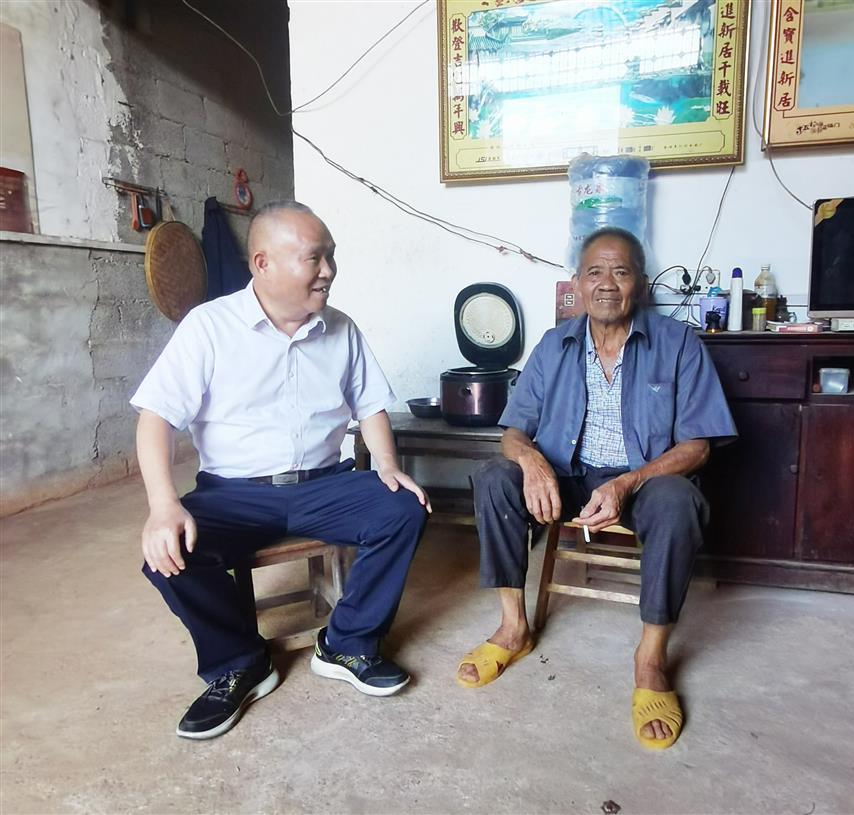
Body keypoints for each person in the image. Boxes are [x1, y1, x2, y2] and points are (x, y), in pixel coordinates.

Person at [132, 201, 431, 740]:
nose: (328, 271)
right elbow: (155, 418)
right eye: (314, 258)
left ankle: (345, 644)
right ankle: (239, 662)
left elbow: (371, 407)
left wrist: (387, 467)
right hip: (232, 494)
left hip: (325, 485)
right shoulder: (209, 327)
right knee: (167, 554)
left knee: (404, 507)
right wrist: (162, 505)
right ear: (262, 263)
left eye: (331, 257)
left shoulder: (341, 328)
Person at [455, 227, 736, 750]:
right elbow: (513, 430)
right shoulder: (553, 344)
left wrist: (628, 483)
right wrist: (533, 463)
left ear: (641, 285)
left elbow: (698, 445)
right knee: (495, 477)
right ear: (578, 284)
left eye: (621, 271)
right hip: (567, 471)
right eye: (595, 272)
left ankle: (651, 659)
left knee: (679, 503)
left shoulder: (678, 343)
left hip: (643, 478)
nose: (607, 284)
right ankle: (514, 627)